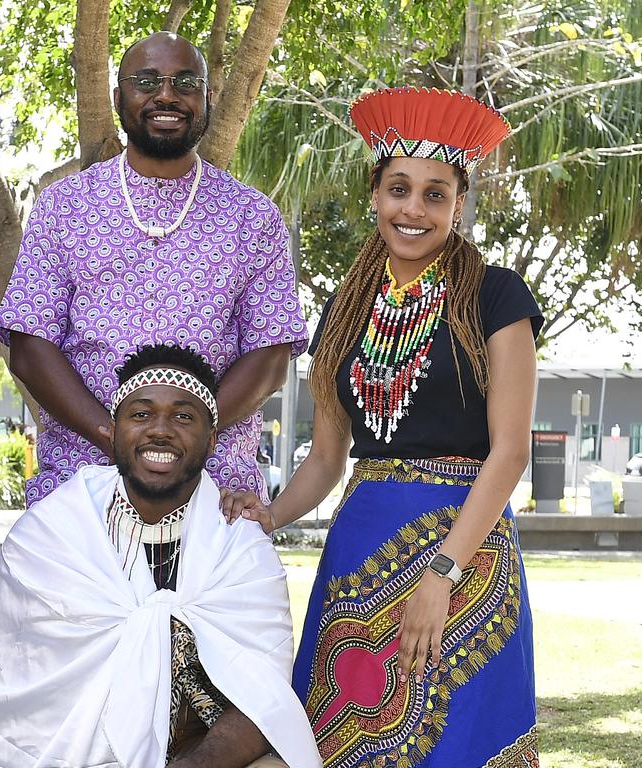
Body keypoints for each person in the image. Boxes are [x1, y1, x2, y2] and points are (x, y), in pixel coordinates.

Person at [224, 87, 542, 767]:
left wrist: (442, 572)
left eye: (436, 194)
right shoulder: (345, 307)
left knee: (455, 747)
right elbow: (327, 458)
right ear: (375, 193)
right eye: (400, 188)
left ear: (459, 203)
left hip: (468, 554)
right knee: (344, 744)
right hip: (359, 551)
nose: (414, 209)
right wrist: (270, 515)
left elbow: (510, 453)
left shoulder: (497, 296)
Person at [0, 344, 321, 768]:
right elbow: (9, 698)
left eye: (184, 416)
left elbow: (266, 699)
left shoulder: (239, 548)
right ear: (112, 430)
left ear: (212, 439)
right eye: (141, 414)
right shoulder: (49, 537)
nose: (160, 430)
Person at [0, 31, 308, 506]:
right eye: (147, 81)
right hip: (83, 480)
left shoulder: (252, 215)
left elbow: (270, 354)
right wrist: (115, 438)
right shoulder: (65, 206)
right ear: (119, 97)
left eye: (185, 82)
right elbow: (29, 344)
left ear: (206, 98)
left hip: (216, 486)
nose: (166, 94)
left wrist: (189, 439)